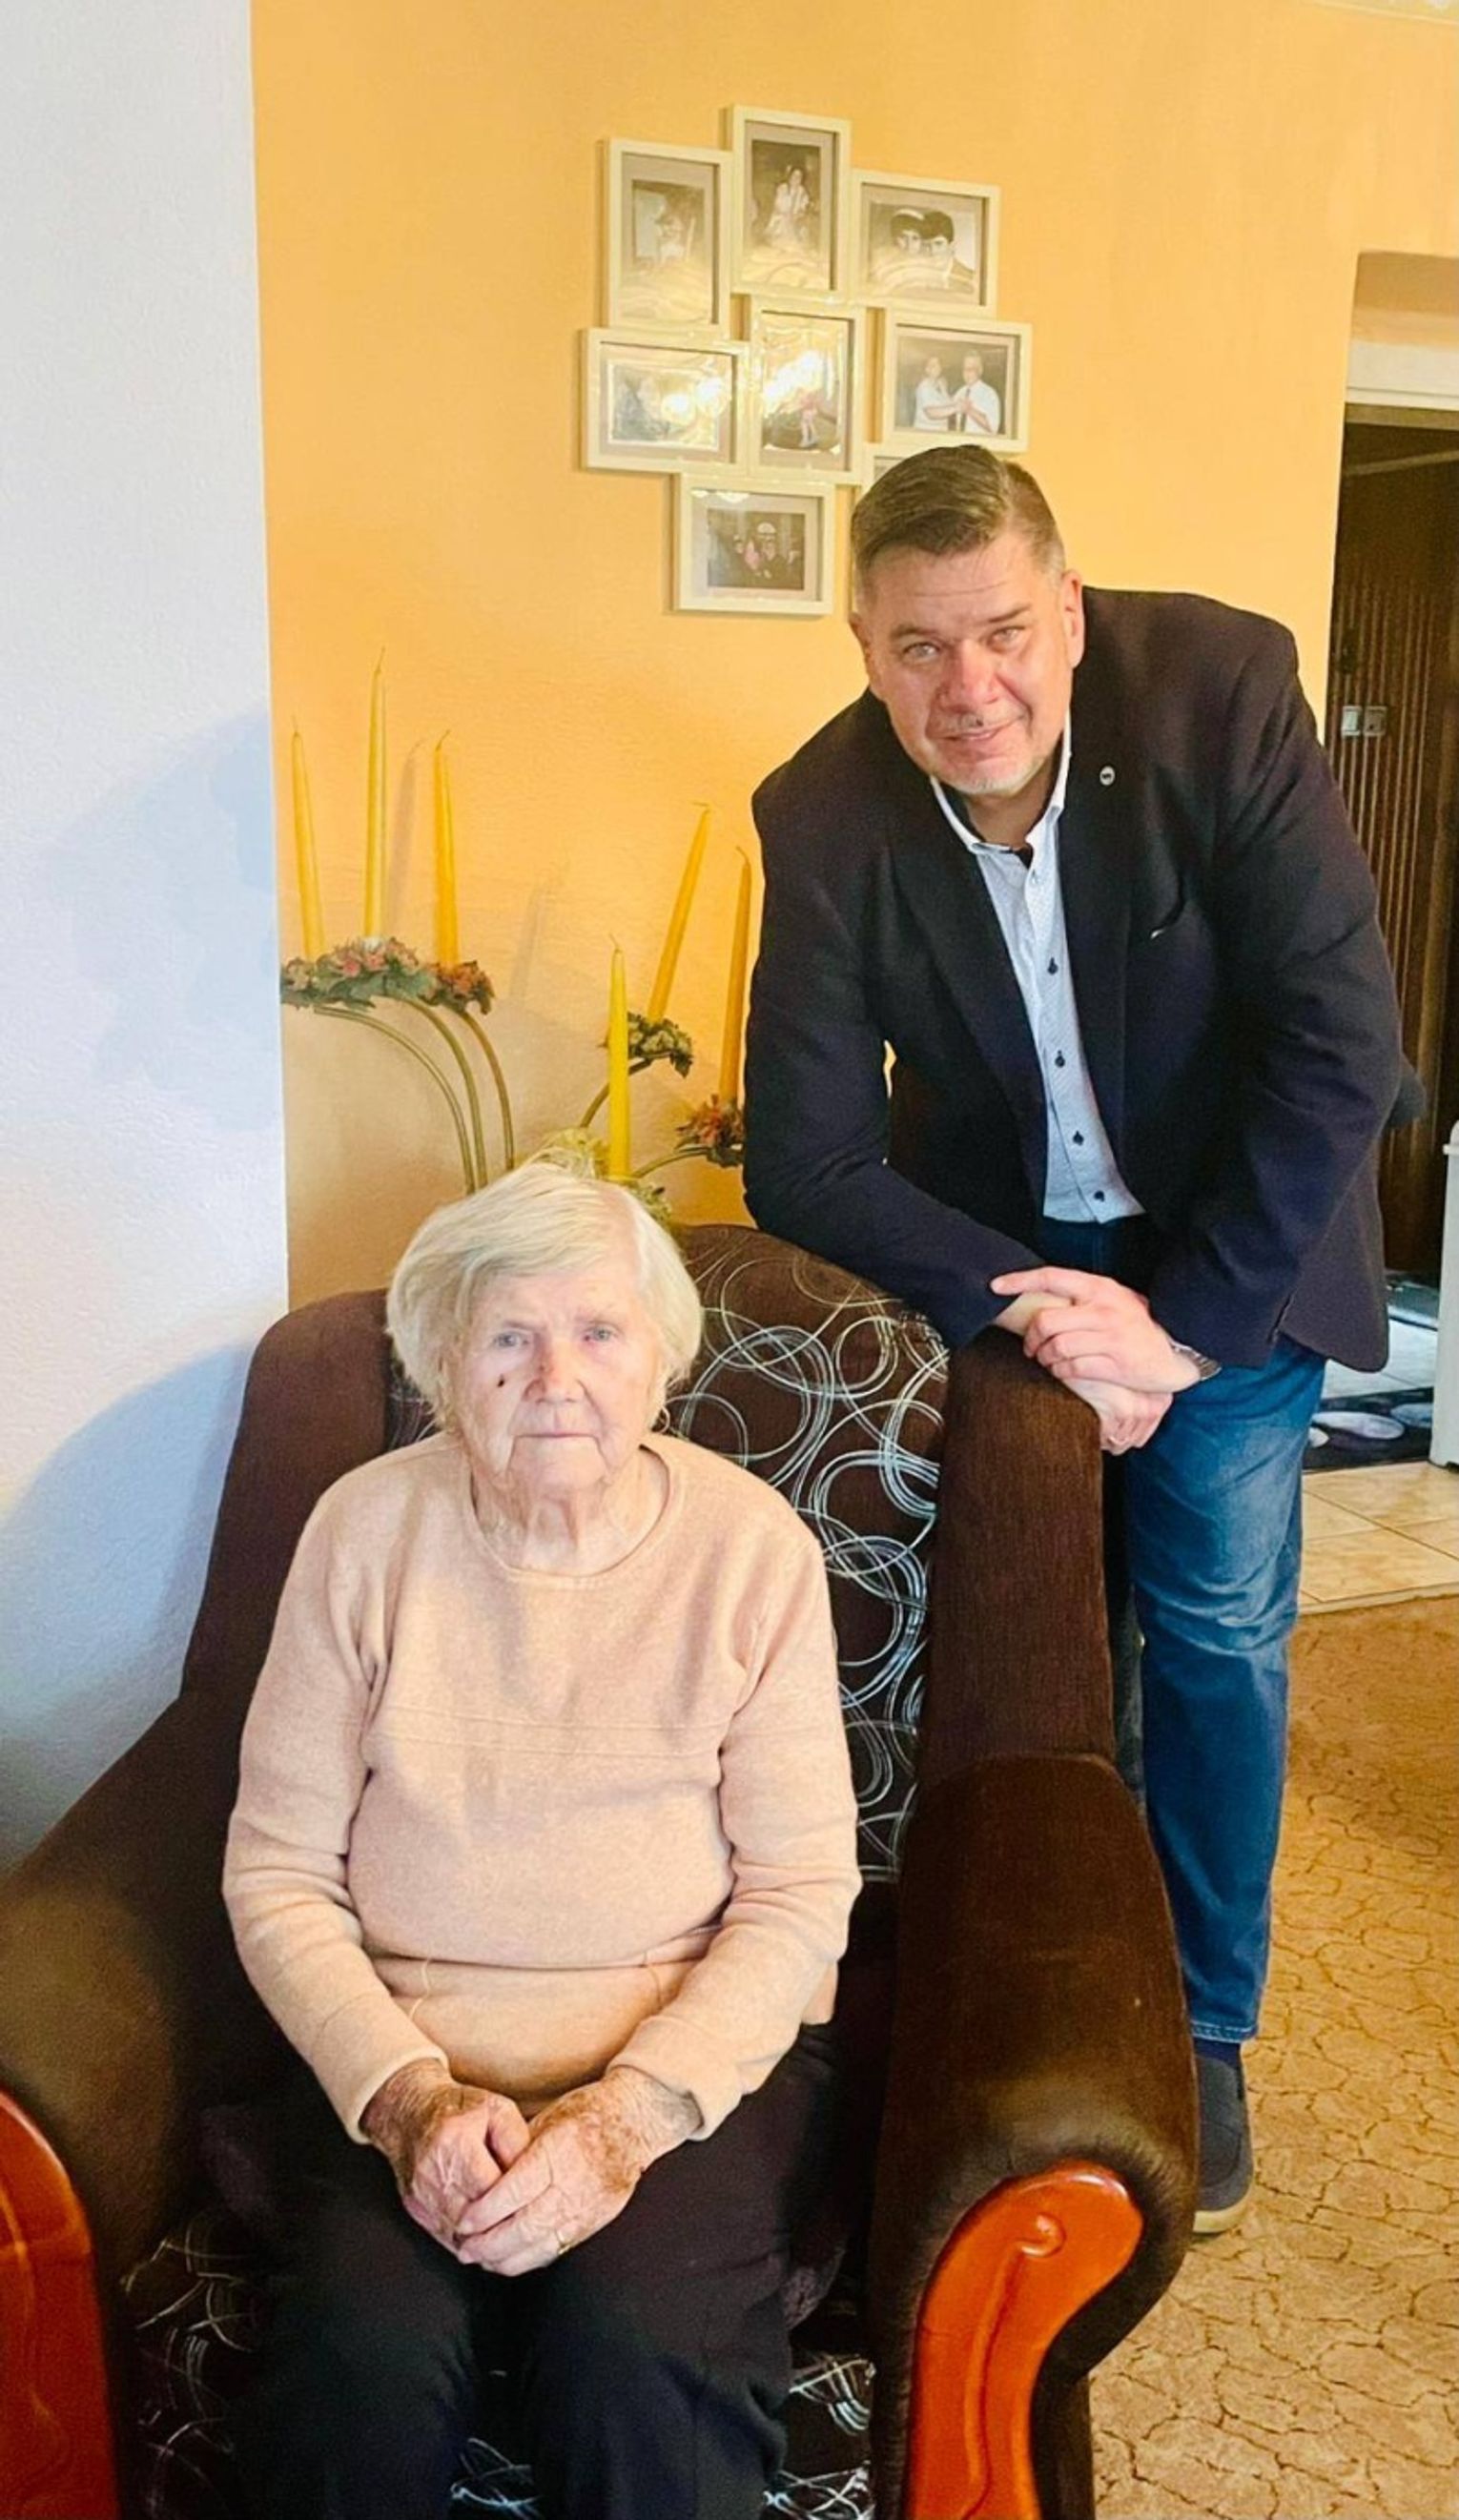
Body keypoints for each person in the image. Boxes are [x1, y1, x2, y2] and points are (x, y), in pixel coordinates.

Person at [743, 444, 1404, 2236]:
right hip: (1008, 1278)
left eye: (1004, 633)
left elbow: (1341, 1043)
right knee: (1044, 1644)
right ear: (863, 646)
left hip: (1233, 1253)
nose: (968, 687)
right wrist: (1044, 1306)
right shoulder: (822, 812)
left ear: (1071, 611)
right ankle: (1047, 1986)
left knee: (1212, 1633)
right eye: (916, 647)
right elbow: (804, 1153)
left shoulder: (1219, 693)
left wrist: (1178, 1328)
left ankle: (1200, 2020)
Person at [223, 1160, 859, 2520]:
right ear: (444, 1366)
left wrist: (629, 2115)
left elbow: (800, 1891)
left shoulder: (750, 1552)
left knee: (644, 2364)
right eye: (508, 1335)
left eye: (599, 1331)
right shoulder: (361, 1534)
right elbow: (277, 1871)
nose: (556, 1376)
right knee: (360, 2367)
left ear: (661, 1363)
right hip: (406, 2049)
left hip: (685, 2068)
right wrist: (407, 2099)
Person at [954, 351, 1001, 437]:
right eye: (965, 369)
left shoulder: (990, 394)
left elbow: (993, 428)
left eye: (971, 369)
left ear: (980, 370)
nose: (967, 372)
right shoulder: (959, 393)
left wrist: (969, 410)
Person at [912, 354, 957, 431]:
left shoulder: (940, 385)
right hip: (926, 431)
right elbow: (931, 413)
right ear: (927, 369)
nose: (937, 367)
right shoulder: (924, 387)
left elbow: (948, 404)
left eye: (938, 364)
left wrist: (946, 391)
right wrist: (956, 408)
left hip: (940, 431)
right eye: (933, 365)